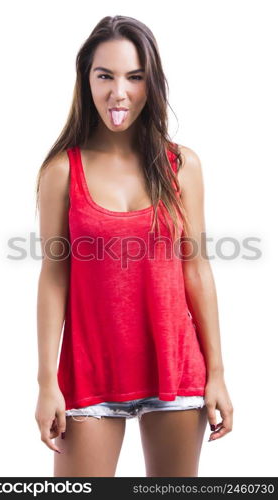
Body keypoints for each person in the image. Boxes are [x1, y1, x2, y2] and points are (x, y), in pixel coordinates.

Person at [34, 15, 233, 477]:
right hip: (90, 378)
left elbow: (197, 268)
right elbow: (53, 276)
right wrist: (47, 381)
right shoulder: (62, 172)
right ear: (86, 80)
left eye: (134, 77)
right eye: (104, 76)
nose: (118, 93)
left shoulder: (181, 164)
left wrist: (218, 373)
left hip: (177, 372)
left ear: (151, 84)